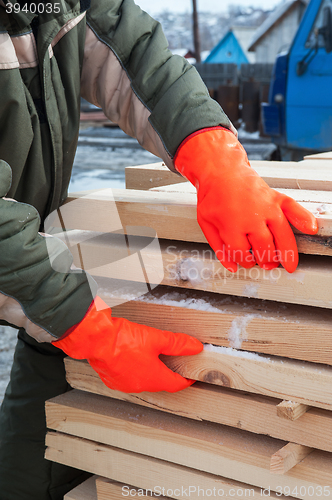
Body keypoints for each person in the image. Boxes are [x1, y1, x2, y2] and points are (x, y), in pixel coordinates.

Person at [0, 0, 318, 498]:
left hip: (24, 250)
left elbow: (132, 54)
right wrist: (85, 327)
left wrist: (215, 158)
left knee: (49, 352)